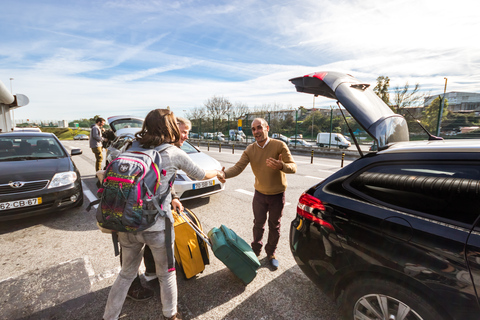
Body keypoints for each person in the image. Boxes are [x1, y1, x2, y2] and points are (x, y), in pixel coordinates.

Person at [103, 109, 223, 320]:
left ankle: (109, 317)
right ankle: (170, 316)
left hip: (127, 222)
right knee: (166, 274)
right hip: (157, 226)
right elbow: (201, 174)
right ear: (169, 127)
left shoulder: (131, 146)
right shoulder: (172, 152)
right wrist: (219, 173)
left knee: (125, 274)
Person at [127, 116, 193, 300]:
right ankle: (136, 287)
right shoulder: (160, 150)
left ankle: (150, 272)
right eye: (183, 131)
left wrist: (173, 197)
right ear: (171, 129)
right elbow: (198, 173)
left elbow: (163, 179)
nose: (186, 136)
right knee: (136, 254)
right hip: (136, 210)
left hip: (136, 211)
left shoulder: (148, 146)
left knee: (142, 244)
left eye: (188, 132)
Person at [217, 118, 296, 270]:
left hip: (277, 194)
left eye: (259, 128)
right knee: (258, 224)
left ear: (267, 127)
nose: (256, 132)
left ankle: (271, 252)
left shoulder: (279, 145)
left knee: (275, 225)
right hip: (259, 194)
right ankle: (255, 250)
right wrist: (224, 174)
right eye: (253, 129)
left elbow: (293, 167)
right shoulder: (250, 149)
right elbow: (238, 167)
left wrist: (282, 166)